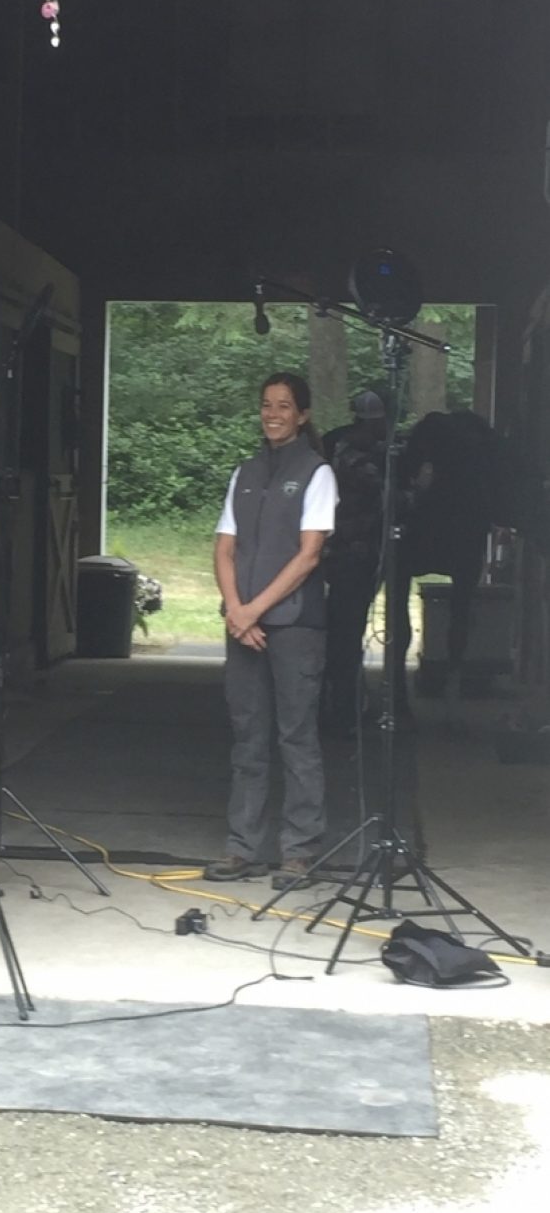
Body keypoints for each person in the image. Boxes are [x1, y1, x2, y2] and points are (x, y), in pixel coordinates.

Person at [203, 372, 338, 888]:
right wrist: (236, 609)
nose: (273, 413)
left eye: (284, 405)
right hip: (245, 624)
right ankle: (244, 848)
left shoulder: (316, 472)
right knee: (248, 737)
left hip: (294, 624)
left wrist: (253, 608)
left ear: (302, 415)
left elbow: (309, 555)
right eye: (266, 404)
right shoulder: (247, 471)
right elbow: (223, 548)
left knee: (296, 737)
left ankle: (298, 852)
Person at [321, 391, 387, 734]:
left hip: (346, 553)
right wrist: (420, 489)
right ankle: (342, 712)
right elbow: (389, 500)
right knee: (345, 635)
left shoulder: (343, 447)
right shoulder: (359, 457)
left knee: (342, 632)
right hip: (350, 556)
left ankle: (336, 706)